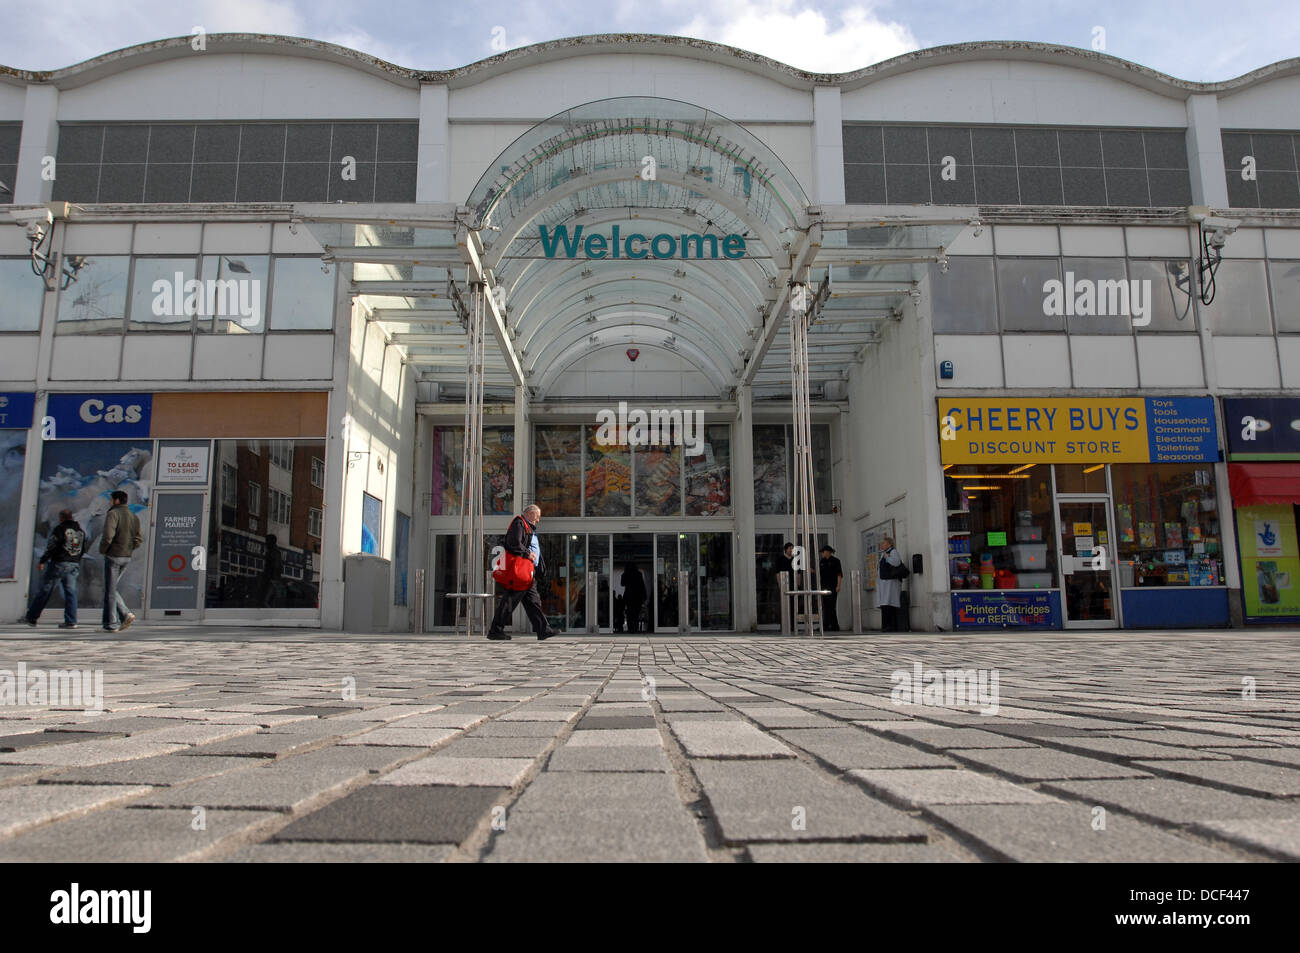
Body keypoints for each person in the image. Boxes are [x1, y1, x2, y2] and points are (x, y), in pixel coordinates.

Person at [487, 504, 559, 641]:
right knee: (509, 601)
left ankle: (543, 630)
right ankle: (495, 630)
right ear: (530, 514)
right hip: (519, 573)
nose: (538, 520)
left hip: (526, 573)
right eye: (537, 517)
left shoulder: (527, 526)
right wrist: (528, 553)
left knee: (533, 602)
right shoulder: (519, 523)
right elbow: (513, 542)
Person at [24, 509, 85, 629]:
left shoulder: (60, 529)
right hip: (73, 564)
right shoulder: (80, 531)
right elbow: (82, 549)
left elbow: (52, 546)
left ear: (61, 518)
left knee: (45, 590)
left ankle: (32, 617)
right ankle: (71, 621)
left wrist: (43, 560)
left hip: (59, 563)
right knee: (71, 593)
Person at [100, 490, 142, 632]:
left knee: (110, 590)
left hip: (114, 555)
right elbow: (138, 538)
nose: (110, 502)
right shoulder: (133, 516)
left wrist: (103, 549)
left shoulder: (113, 514)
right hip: (126, 556)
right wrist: (129, 548)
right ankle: (123, 615)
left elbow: (108, 535)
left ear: (117, 501)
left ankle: (112, 622)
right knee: (110, 588)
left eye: (111, 500)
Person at [876, 535, 903, 632]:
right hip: (884, 582)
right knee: (885, 604)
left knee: (889, 603)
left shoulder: (893, 552)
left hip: (890, 583)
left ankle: (891, 626)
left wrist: (887, 557)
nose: (881, 545)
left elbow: (896, 563)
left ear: (889, 544)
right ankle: (886, 626)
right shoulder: (884, 553)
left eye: (883, 543)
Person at [819, 544, 843, 632]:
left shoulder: (836, 561)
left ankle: (827, 625)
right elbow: (819, 573)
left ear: (828, 552)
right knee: (826, 605)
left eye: (823, 552)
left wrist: (838, 585)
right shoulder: (822, 561)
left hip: (833, 586)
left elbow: (839, 574)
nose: (822, 554)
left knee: (831, 605)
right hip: (824, 586)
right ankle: (833, 625)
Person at [621, 562, 647, 633]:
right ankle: (635, 628)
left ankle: (630, 628)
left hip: (629, 596)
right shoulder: (639, 574)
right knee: (636, 613)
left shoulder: (626, 574)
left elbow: (622, 583)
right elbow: (642, 585)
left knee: (629, 613)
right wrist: (644, 596)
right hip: (637, 596)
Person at [259, 534, 283, 607]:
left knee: (265, 601)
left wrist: (269, 578)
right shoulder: (274, 552)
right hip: (273, 580)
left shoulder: (274, 552)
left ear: (271, 542)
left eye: (267, 541)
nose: (266, 543)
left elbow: (275, 566)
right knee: (271, 602)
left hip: (272, 581)